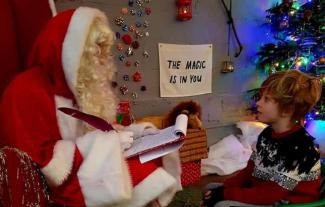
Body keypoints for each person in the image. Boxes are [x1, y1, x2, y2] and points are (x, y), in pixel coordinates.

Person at [0, 7, 181, 207]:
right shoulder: (27, 90)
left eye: (104, 50)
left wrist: (138, 134)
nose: (102, 59)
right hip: (57, 186)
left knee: (148, 160)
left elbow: (102, 129)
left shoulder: (81, 86)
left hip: (90, 166)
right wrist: (109, 143)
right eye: (95, 51)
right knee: (135, 176)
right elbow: (43, 163)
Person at [201, 70, 322, 207]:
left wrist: (225, 194)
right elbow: (249, 171)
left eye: (266, 99)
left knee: (223, 205)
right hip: (264, 189)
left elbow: (270, 194)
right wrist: (224, 188)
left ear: (287, 110)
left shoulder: (300, 147)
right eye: (260, 97)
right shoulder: (267, 134)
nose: (258, 103)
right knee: (211, 187)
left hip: (287, 201)